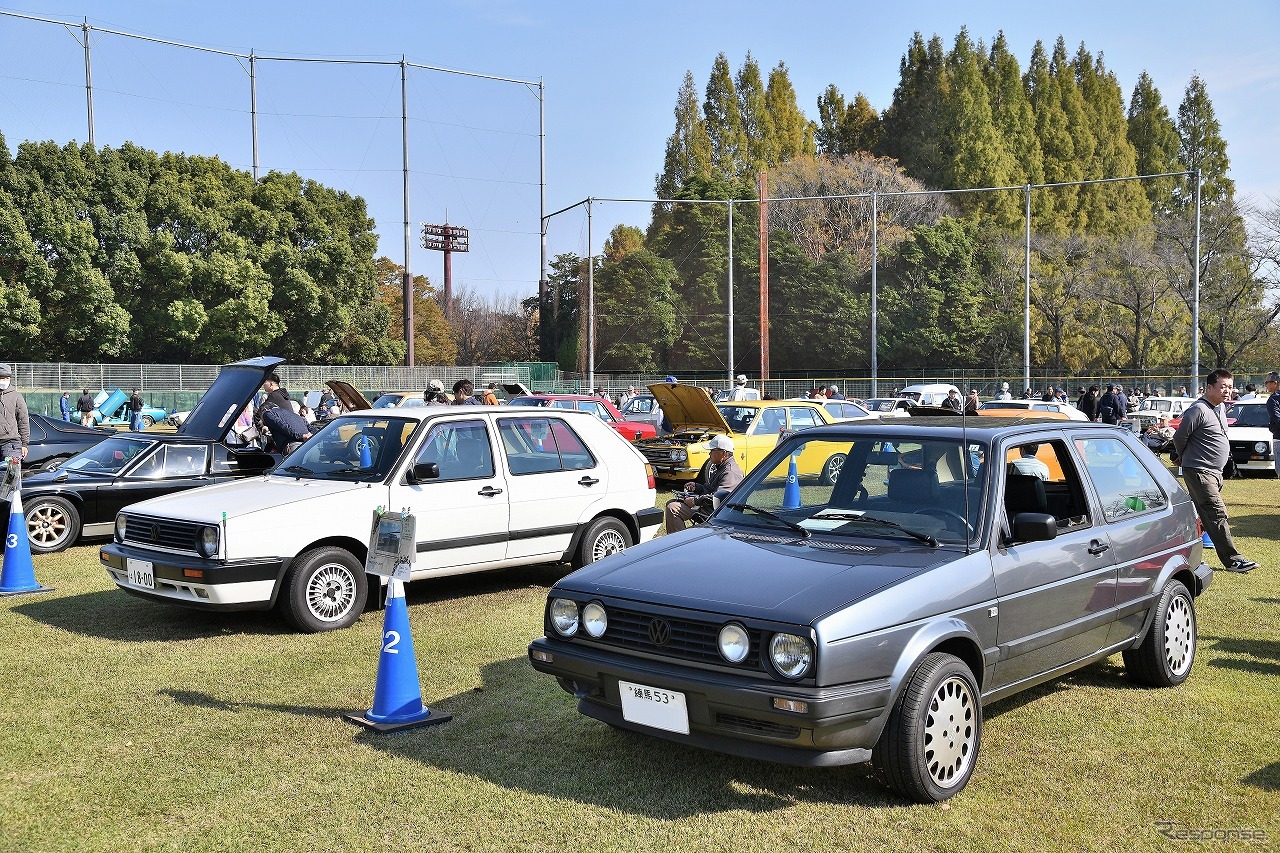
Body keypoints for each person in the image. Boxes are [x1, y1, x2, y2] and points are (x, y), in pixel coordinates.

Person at [1172, 369, 1256, 573]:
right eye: (1222, 386)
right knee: (1217, 514)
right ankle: (1233, 560)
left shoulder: (1219, 408)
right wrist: (1183, 458)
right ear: (1209, 387)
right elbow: (1179, 437)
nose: (1227, 391)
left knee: (1198, 515)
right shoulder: (1198, 410)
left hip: (1214, 472)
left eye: (1230, 386)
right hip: (1200, 471)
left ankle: (1181, 554)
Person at [664, 434, 743, 534]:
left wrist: (694, 501)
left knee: (673, 509)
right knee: (671, 502)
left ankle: (679, 544)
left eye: (712, 450)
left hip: (719, 514)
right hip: (712, 509)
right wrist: (697, 487)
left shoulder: (730, 472)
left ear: (723, 453)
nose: (709, 453)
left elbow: (718, 498)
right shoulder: (722, 467)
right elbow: (711, 489)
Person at [0, 364, 30, 465]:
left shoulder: (16, 396)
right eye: (1, 378)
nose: (4, 380)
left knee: (11, 477)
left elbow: (23, 421)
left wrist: (24, 444)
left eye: (7, 378)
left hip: (11, 444)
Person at [1266, 371, 1280, 477]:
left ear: (1275, 383)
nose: (1265, 385)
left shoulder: (1273, 399)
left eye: (1267, 382)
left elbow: (1276, 418)